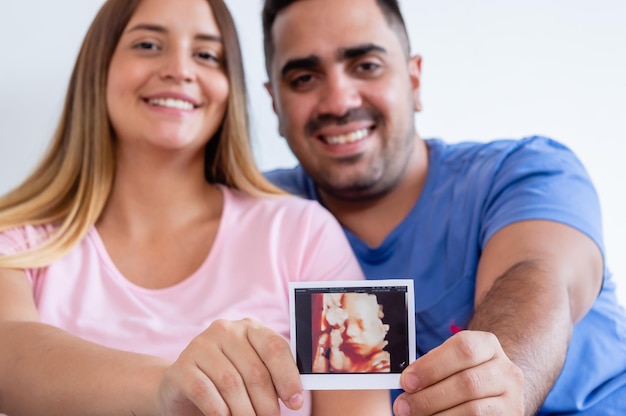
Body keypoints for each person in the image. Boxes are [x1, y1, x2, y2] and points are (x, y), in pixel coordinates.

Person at [0, 0, 394, 415]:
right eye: (148, 45)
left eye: (206, 54)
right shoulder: (17, 240)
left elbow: (362, 408)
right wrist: (171, 387)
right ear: (98, 68)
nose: (179, 69)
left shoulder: (310, 231)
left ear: (230, 88)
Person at [261, 0, 626, 414]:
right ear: (274, 102)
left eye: (366, 66)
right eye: (304, 77)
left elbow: (535, 278)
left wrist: (499, 385)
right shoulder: (253, 211)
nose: (339, 102)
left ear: (414, 80)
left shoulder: (525, 172)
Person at [313, 292, 391, 373]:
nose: (349, 332)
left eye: (362, 325)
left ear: (383, 328)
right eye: (345, 324)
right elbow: (338, 367)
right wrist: (335, 348)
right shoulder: (351, 357)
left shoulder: (382, 362)